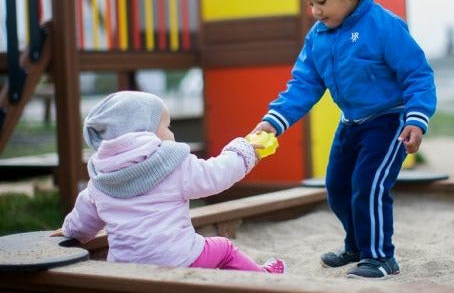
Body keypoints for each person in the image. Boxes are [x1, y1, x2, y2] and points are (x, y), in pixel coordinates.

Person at [252, 0, 436, 279]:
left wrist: (417, 118)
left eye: (321, 1)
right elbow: (304, 83)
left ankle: (381, 256)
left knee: (369, 185)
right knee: (337, 187)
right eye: (309, 2)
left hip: (389, 122)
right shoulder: (318, 36)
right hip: (351, 122)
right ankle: (356, 245)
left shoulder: (384, 27)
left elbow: (417, 74)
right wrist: (273, 121)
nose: (314, 11)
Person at [52, 91, 286, 274]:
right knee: (224, 248)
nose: (172, 133)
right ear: (144, 131)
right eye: (167, 126)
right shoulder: (171, 163)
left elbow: (85, 218)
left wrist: (69, 230)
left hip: (124, 267)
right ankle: (264, 278)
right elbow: (215, 175)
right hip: (180, 259)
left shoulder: (101, 177)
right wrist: (244, 151)